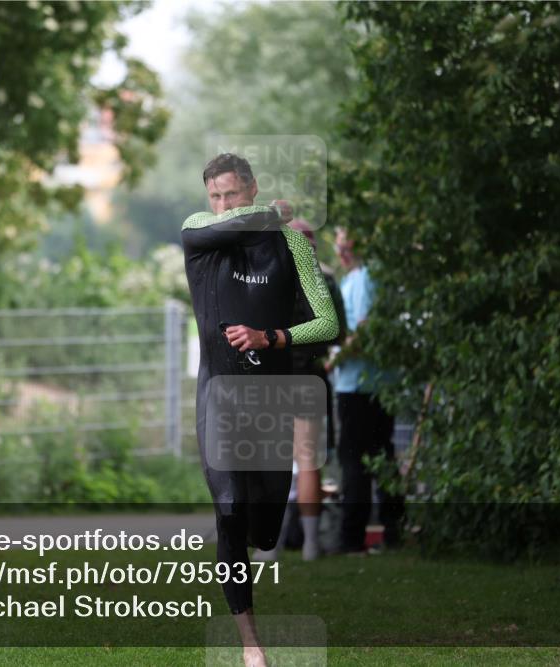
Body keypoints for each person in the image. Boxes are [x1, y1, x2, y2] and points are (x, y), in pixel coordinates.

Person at [181, 153, 339, 667]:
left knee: (264, 528)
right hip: (220, 395)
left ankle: (262, 541)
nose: (222, 206)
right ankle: (252, 645)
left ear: (251, 189)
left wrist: (272, 337)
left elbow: (328, 323)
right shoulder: (198, 232)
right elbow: (234, 222)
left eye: (231, 194)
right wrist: (276, 210)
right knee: (228, 510)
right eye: (215, 197)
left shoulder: (291, 243)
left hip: (271, 397)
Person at [252, 218, 346, 562]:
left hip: (275, 377)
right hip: (310, 376)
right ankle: (310, 545)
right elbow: (338, 333)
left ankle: (272, 545)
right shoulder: (327, 282)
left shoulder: (268, 280)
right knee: (308, 462)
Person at [329, 227, 404, 554]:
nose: (342, 252)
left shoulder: (365, 279)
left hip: (360, 385)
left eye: (348, 246)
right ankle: (392, 531)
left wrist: (333, 360)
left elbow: (364, 329)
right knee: (380, 455)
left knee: (355, 462)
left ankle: (352, 537)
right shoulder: (359, 278)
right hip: (376, 383)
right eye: (339, 246)